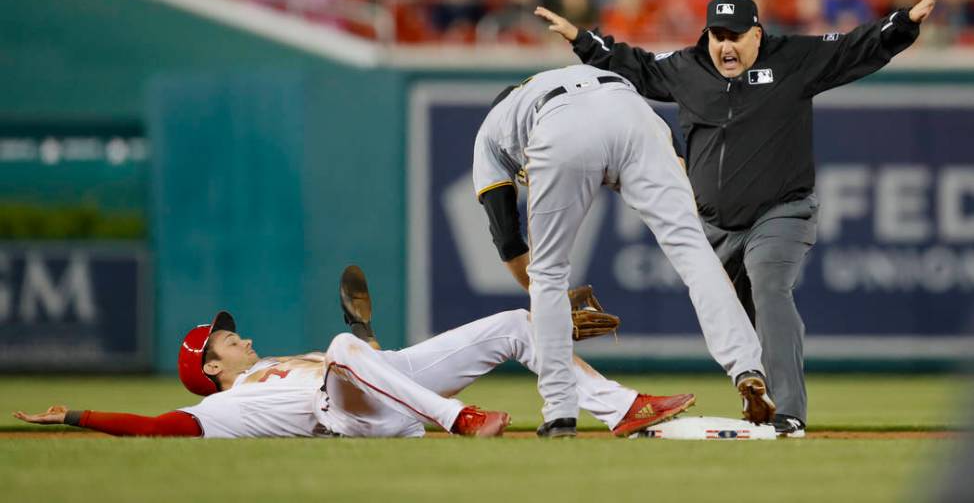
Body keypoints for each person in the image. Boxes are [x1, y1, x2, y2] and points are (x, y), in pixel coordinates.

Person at [534, 0, 951, 437]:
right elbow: (632, 64)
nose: (725, 45)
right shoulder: (686, 67)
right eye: (717, 35)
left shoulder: (792, 59)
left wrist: (904, 23)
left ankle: (789, 413)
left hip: (781, 211)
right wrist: (582, 40)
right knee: (739, 314)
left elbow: (855, 47)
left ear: (757, 34)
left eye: (735, 35)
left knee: (770, 285)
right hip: (713, 226)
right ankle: (759, 392)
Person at [14, 267, 695, 439]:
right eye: (223, 337)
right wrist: (78, 415)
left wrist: (364, 353)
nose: (235, 332)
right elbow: (158, 426)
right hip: (351, 416)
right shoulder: (230, 407)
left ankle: (622, 407)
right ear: (212, 369)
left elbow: (359, 363)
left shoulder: (274, 357)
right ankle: (456, 419)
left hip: (379, 379)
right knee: (342, 344)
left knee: (516, 323)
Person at [473, 64, 776, 438]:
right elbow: (677, 165)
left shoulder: (490, 132)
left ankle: (560, 413)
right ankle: (747, 367)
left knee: (548, 272)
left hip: (558, 121)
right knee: (693, 250)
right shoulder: (549, 85)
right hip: (631, 110)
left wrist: (553, 300)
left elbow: (508, 240)